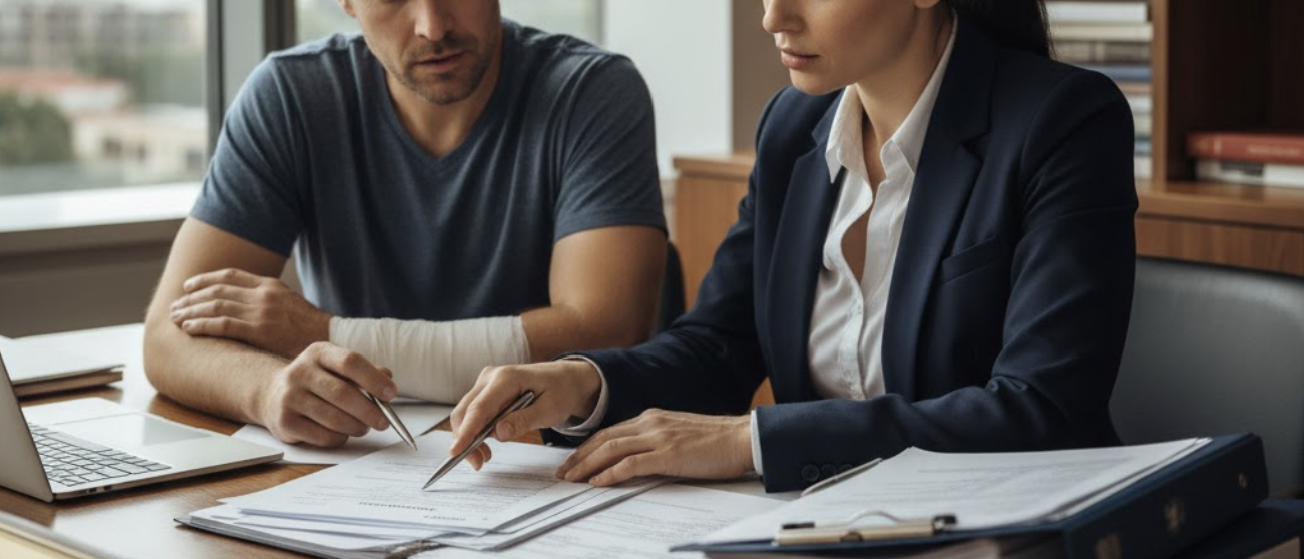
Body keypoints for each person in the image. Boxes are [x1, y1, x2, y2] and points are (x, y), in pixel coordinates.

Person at [449, 0, 1138, 492]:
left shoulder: (1063, 123)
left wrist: (749, 441)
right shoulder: (794, 124)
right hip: (822, 529)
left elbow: (1042, 408)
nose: (773, 16)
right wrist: (582, 384)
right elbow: (719, 344)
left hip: (1006, 531)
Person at [143, 0, 667, 448]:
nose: (433, 26)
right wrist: (267, 388)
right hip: (359, 461)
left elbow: (608, 328)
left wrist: (321, 334)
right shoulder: (292, 96)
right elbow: (168, 337)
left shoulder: (591, 91)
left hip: (544, 457)